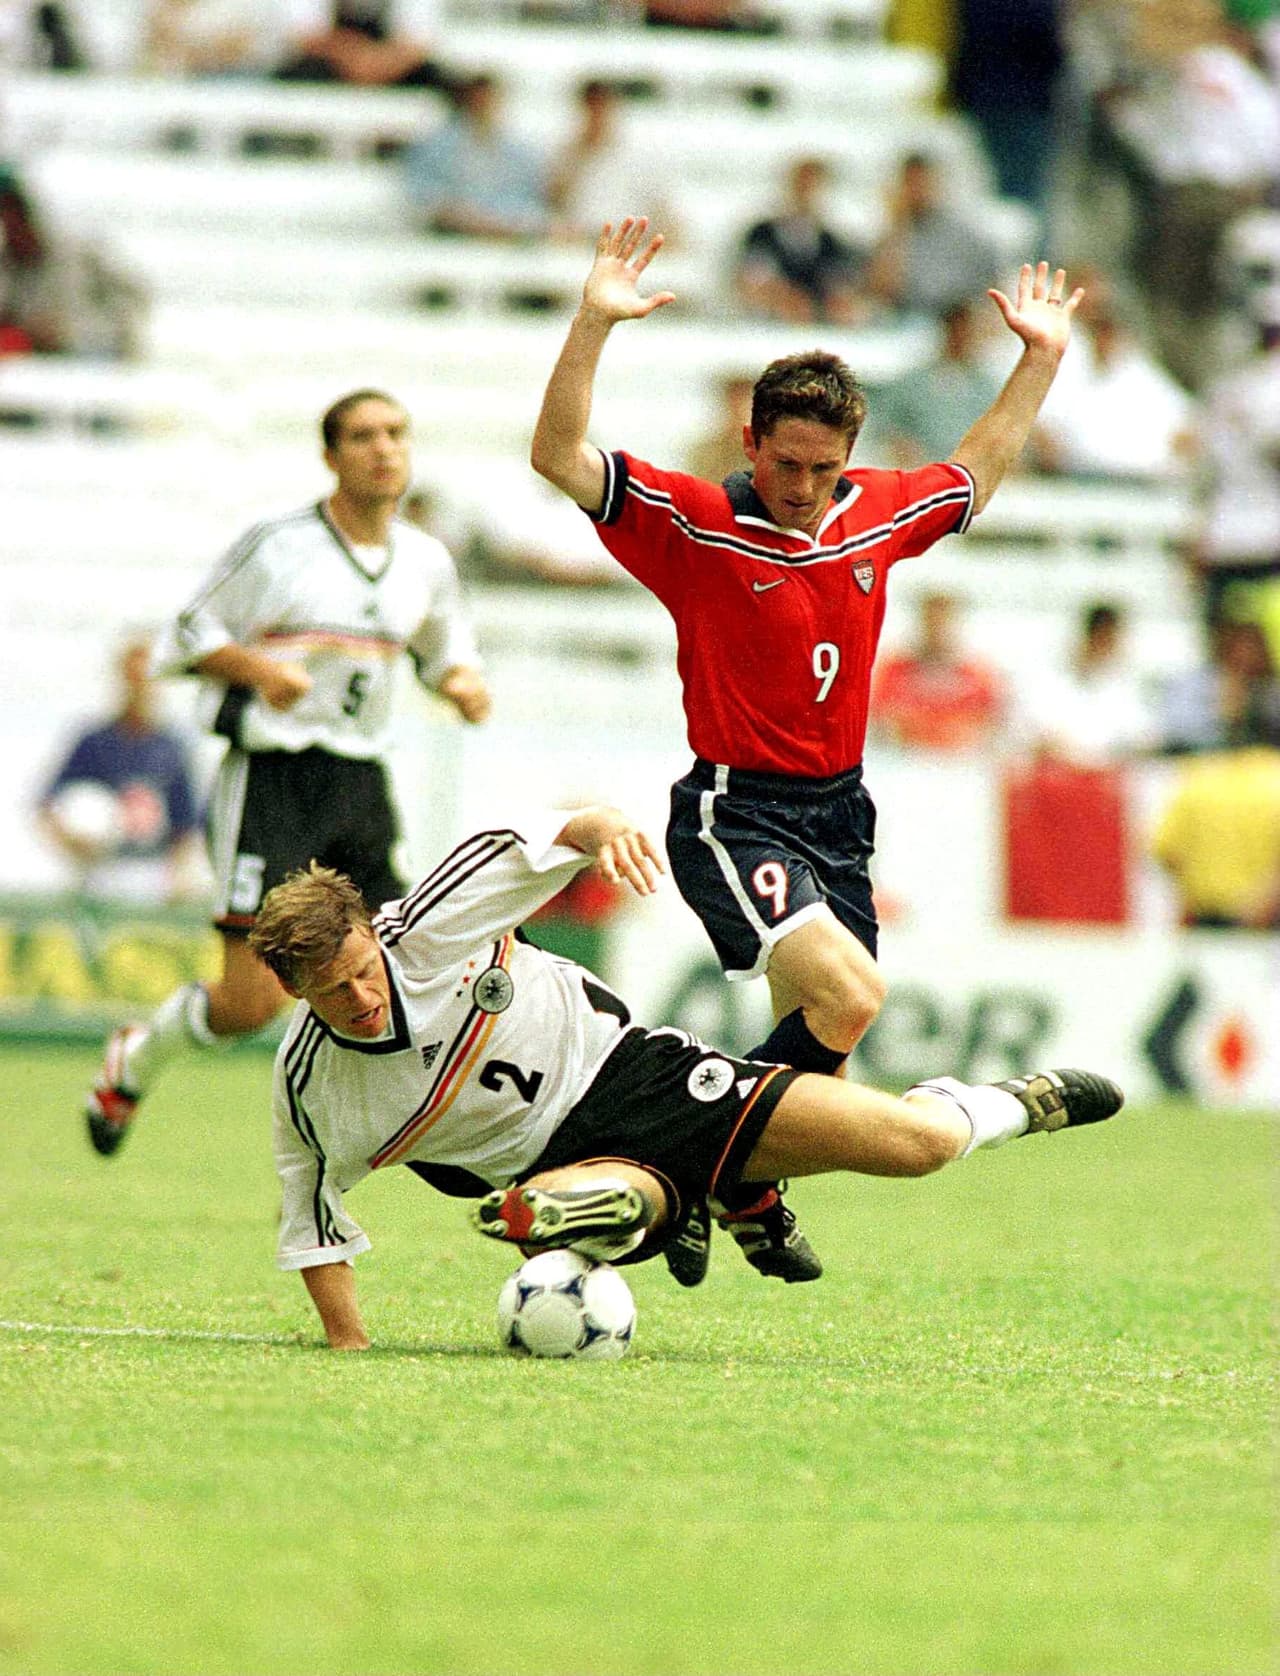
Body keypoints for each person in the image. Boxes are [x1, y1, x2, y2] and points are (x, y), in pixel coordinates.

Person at [530, 215, 1085, 1280]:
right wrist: (593, 321)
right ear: (749, 444)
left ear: (848, 459)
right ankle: (695, 1174)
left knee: (811, 1062)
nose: (801, 485)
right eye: (784, 462)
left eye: (822, 467)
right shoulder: (694, 525)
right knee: (851, 999)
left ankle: (729, 1176)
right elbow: (556, 454)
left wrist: (1039, 356)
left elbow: (974, 472)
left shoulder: (871, 514)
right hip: (733, 809)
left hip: (840, 813)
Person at [247, 803, 1125, 1347]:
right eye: (333, 990)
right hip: (549, 1163)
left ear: (374, 929)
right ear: (294, 991)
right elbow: (314, 1224)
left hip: (635, 1073)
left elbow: (552, 834)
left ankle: (1013, 1103)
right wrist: (349, 1347)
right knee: (594, 1198)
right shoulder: (312, 1088)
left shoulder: (432, 921)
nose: (363, 994)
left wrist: (605, 831)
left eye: (366, 966)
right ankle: (635, 1206)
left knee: (919, 1144)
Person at [82, 389, 492, 1158]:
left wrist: (462, 684)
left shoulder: (425, 560)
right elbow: (186, 634)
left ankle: (402, 1132)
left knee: (398, 963)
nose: (384, 448)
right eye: (365, 436)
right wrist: (259, 670)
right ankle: (133, 1060)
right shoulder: (279, 545)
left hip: (360, 782)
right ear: (331, 456)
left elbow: (446, 651)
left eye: (397, 433)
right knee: (251, 1003)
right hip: (271, 780)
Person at [37, 635, 203, 904]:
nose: (139, 687)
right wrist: (71, 842)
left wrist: (179, 876)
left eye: (146, 678)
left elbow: (185, 825)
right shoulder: (94, 742)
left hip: (152, 873)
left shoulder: (172, 748)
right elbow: (46, 805)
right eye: (132, 677)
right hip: (100, 873)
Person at [403, 72, 552, 242]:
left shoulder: (519, 151)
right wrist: (472, 222)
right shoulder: (434, 146)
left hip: (509, 235)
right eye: (478, 99)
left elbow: (530, 201)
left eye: (489, 99)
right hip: (451, 238)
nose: (483, 105)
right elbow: (425, 198)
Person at [1150, 742, 1280, 929]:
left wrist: (1189, 892)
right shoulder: (1274, 782)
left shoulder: (1198, 781)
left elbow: (1164, 850)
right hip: (1266, 919)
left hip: (1205, 915)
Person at [732, 156, 871, 328]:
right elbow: (751, 284)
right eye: (801, 184)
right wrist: (784, 298)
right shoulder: (761, 234)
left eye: (813, 186)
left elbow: (841, 290)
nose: (806, 193)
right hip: (768, 327)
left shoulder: (831, 243)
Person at [1016, 601, 1158, 765]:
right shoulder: (1049, 677)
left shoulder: (1127, 682)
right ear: (1091, 635)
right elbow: (1034, 730)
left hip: (1108, 772)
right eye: (1102, 636)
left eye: (1111, 638)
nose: (1107, 644)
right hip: (1058, 771)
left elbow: (1143, 736)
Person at [866, 152, 1002, 320]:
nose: (916, 190)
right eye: (909, 183)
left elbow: (994, 290)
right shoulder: (893, 232)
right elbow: (881, 292)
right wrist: (898, 225)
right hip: (905, 325)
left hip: (960, 326)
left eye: (921, 181)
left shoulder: (968, 236)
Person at [870, 591, 1006, 753]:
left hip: (959, 764)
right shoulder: (893, 670)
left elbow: (992, 725)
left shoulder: (978, 675)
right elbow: (879, 722)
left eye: (944, 621)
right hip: (902, 761)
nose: (938, 629)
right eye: (931, 620)